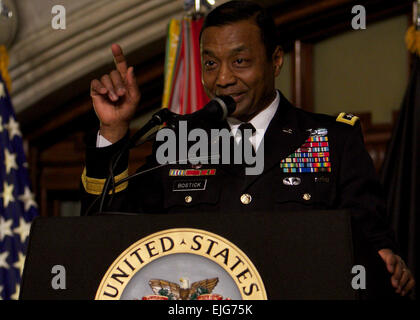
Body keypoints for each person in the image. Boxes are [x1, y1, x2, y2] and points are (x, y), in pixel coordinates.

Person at [82, 1, 415, 297]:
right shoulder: (180, 142)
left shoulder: (332, 140)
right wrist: (113, 129)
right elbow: (107, 234)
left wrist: (384, 262)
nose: (223, 78)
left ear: (276, 61)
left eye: (240, 61)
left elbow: (374, 253)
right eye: (210, 64)